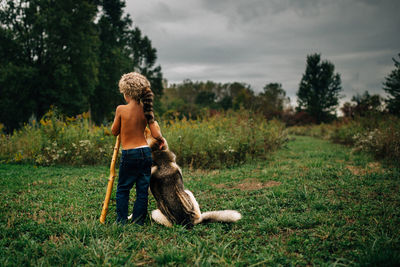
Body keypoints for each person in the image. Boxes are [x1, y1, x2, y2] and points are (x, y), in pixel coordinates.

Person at [111, 72, 164, 225]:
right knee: (142, 189)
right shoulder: (146, 111)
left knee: (123, 189)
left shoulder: (121, 109)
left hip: (130, 153)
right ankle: (139, 220)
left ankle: (121, 221)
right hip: (145, 152)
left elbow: (114, 131)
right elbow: (155, 133)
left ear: (126, 93)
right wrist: (160, 139)